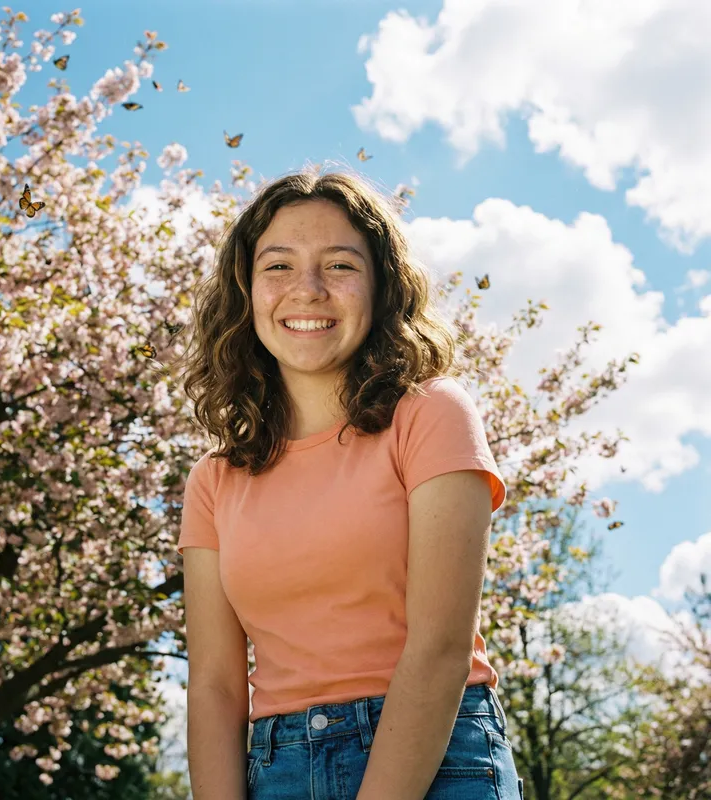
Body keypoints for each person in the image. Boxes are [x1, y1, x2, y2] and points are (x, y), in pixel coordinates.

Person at [167, 164, 524, 799]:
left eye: (339, 265)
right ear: (246, 293)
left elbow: (440, 648)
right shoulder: (214, 481)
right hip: (277, 770)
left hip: (440, 759)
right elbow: (217, 685)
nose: (307, 289)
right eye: (278, 266)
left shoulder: (431, 415)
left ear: (382, 287)